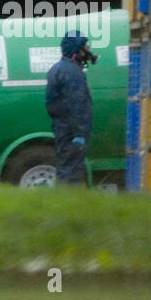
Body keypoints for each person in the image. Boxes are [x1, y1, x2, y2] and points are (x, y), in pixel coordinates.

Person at [45, 30, 94, 186]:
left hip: (62, 129)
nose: (87, 50)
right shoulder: (72, 72)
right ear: (76, 49)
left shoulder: (57, 68)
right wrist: (78, 133)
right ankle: (68, 204)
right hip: (72, 132)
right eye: (84, 47)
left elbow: (52, 105)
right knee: (71, 173)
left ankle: (63, 200)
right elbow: (76, 104)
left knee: (64, 167)